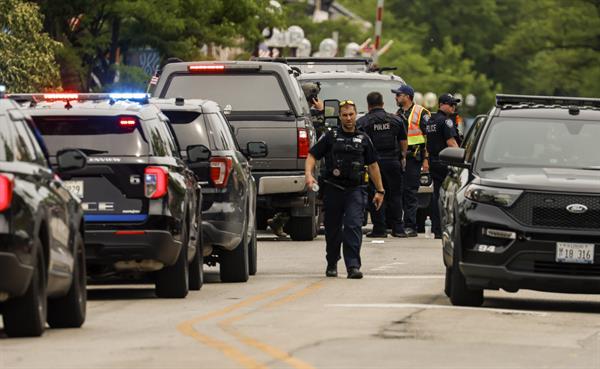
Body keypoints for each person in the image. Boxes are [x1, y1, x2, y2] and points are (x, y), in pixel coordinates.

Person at [305, 100, 385, 279]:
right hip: (333, 189)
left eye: (351, 114)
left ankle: (353, 266)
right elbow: (312, 155)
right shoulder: (330, 136)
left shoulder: (364, 139)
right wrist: (308, 175)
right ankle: (332, 262)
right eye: (345, 115)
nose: (348, 118)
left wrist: (380, 191)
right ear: (340, 116)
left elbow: (373, 166)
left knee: (353, 226)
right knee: (333, 230)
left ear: (356, 115)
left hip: (355, 190)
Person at [356, 92, 408, 238]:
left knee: (376, 193)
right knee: (396, 195)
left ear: (368, 105)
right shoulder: (396, 120)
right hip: (393, 162)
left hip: (374, 164)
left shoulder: (363, 122)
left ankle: (379, 228)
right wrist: (402, 156)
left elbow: (360, 143)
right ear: (383, 103)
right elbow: (403, 141)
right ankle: (398, 228)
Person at [392, 84, 430, 237]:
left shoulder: (421, 112)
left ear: (407, 97)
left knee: (410, 192)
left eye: (398, 95)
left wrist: (426, 159)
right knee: (399, 191)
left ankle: (411, 226)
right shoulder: (398, 113)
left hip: (414, 157)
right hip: (400, 157)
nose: (396, 97)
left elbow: (429, 138)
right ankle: (399, 225)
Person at [426, 93, 460, 239]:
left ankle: (436, 228)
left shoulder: (431, 121)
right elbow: (451, 143)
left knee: (436, 196)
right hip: (445, 162)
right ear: (442, 104)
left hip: (434, 161)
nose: (453, 107)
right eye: (451, 104)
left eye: (455, 104)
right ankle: (443, 227)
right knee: (447, 196)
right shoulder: (446, 122)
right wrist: (462, 159)